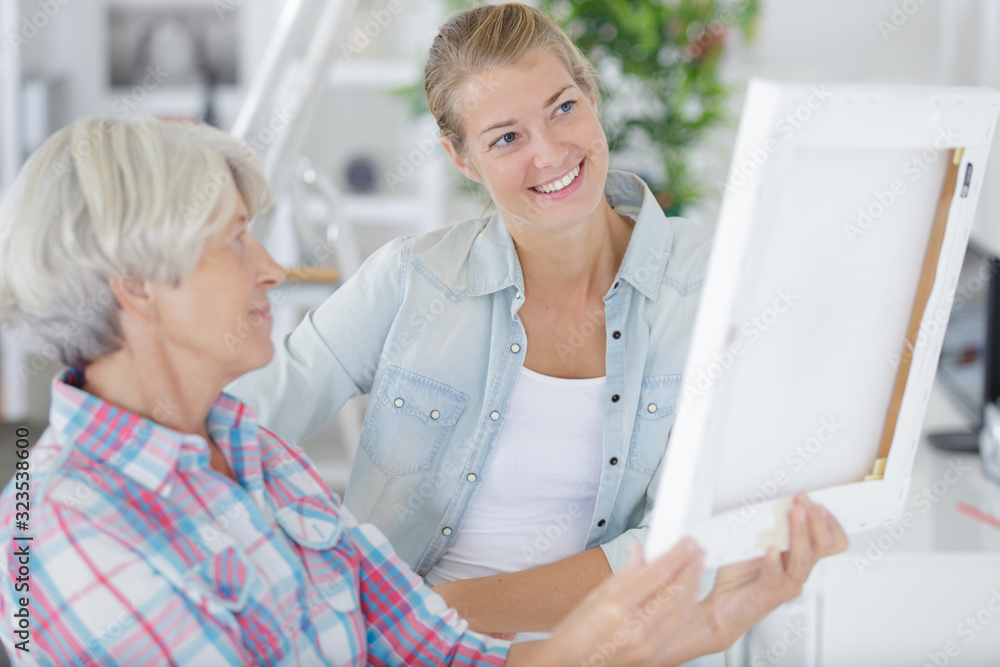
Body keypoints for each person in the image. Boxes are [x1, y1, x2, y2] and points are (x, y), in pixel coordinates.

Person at [0, 114, 789, 666]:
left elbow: (434, 650)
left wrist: (699, 625)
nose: (272, 267)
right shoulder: (57, 532)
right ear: (136, 285)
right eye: (234, 239)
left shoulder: (256, 456)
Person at [228, 0, 848, 648]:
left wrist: (435, 607)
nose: (551, 152)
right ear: (461, 157)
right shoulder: (414, 279)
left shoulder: (713, 284)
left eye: (562, 108)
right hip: (416, 651)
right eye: (506, 137)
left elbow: (681, 540)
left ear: (591, 94)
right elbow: (243, 419)